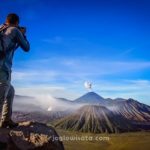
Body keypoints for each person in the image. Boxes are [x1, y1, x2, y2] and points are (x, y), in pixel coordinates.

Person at [0, 13, 30, 128]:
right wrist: (23, 35)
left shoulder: (1, 28)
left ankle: (6, 120)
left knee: (10, 91)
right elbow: (26, 48)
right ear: (17, 22)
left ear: (6, 20)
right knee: (1, 97)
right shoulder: (15, 31)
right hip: (3, 69)